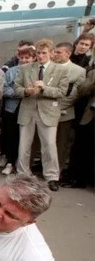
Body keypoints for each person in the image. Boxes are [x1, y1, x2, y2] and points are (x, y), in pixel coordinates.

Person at [14, 39, 68, 191]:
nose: (40, 56)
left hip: (48, 112)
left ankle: (52, 176)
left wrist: (45, 88)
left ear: (51, 54)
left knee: (49, 145)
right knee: (24, 144)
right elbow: (16, 87)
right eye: (38, 53)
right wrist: (26, 91)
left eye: (44, 53)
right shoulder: (25, 68)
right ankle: (22, 173)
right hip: (28, 109)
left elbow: (62, 92)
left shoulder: (61, 70)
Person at [0, 46, 36, 176]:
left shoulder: (37, 71)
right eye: (22, 57)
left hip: (30, 108)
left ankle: (21, 165)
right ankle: (10, 162)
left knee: (25, 139)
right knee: (12, 136)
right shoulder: (12, 71)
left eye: (28, 58)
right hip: (12, 108)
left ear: (34, 58)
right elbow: (4, 89)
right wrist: (20, 93)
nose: (25, 60)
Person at [52, 42, 86, 181]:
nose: (55, 55)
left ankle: (56, 174)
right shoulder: (49, 67)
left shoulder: (79, 71)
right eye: (55, 52)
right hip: (45, 111)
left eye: (58, 52)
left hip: (64, 113)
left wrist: (58, 107)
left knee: (61, 144)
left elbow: (75, 94)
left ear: (68, 53)